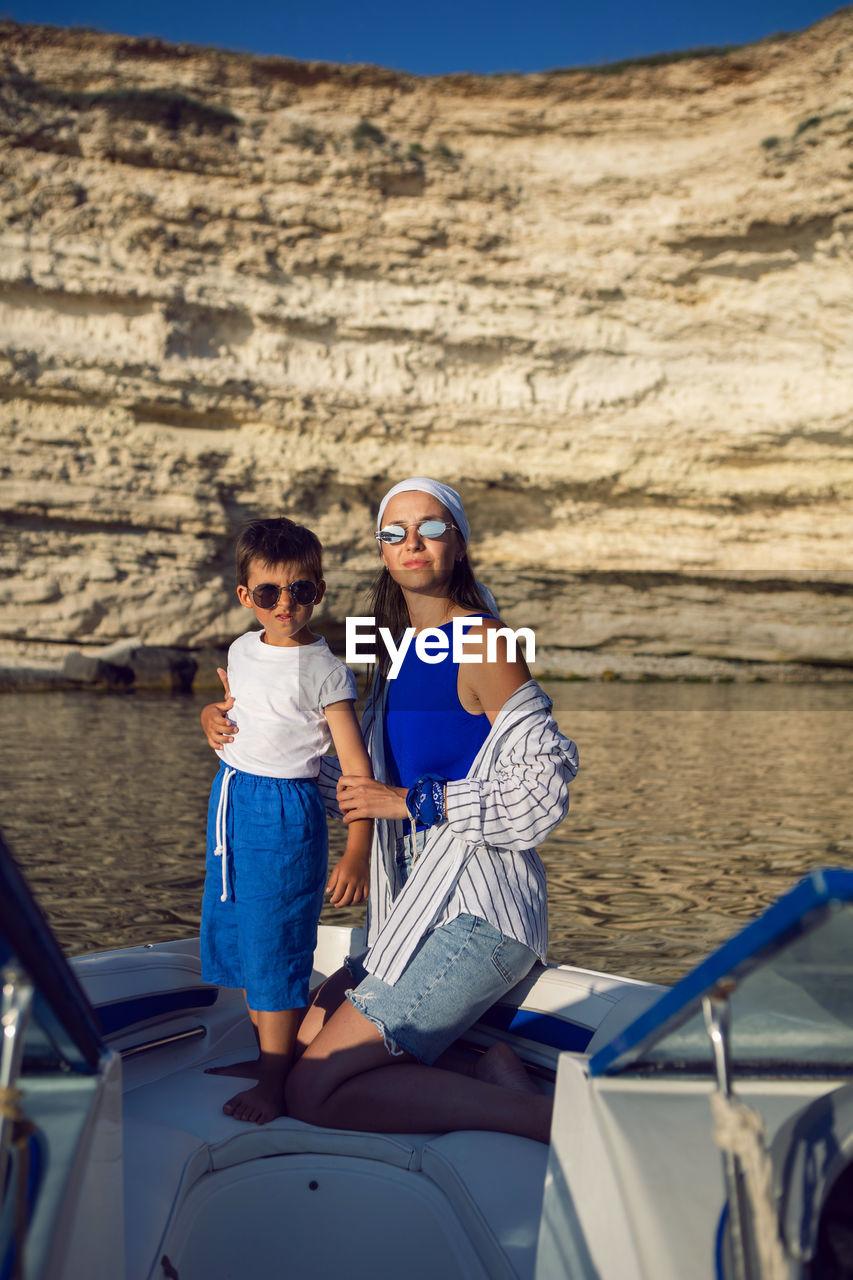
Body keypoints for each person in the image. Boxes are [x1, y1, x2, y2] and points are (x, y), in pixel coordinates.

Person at [203, 480, 578, 1144]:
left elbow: (542, 790)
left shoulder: (482, 642)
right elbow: (341, 783)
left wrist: (410, 801)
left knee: (311, 1092)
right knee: (307, 1031)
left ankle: (548, 1120)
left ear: (457, 543)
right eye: (395, 532)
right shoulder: (398, 655)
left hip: (480, 918)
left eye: (431, 529)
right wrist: (236, 726)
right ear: (380, 549)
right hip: (411, 917)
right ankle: (485, 1063)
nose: (412, 544)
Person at [200, 516, 372, 1125]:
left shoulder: (324, 671)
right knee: (245, 937)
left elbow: (355, 768)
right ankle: (267, 1059)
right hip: (233, 799)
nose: (286, 604)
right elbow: (232, 712)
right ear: (246, 596)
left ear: (318, 591)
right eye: (270, 592)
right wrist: (207, 716)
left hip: (284, 814)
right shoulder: (242, 649)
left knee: (275, 943)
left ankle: (274, 1085)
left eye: (301, 590)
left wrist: (357, 850)